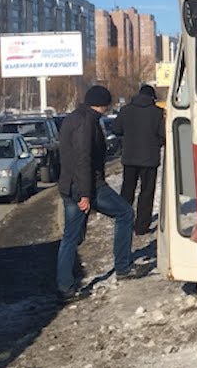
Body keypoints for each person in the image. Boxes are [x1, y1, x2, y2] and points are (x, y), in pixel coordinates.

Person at [54, 85, 144, 303]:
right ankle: (122, 268)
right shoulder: (87, 123)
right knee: (124, 214)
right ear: (102, 104)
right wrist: (85, 195)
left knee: (71, 236)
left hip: (70, 185)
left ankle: (65, 285)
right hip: (87, 186)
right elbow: (83, 159)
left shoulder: (74, 118)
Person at [113, 84, 167, 236]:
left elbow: (116, 129)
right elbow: (163, 135)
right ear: (152, 97)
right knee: (147, 192)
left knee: (127, 190)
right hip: (150, 159)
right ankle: (142, 226)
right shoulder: (157, 112)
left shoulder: (126, 110)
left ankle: (124, 222)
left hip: (129, 158)